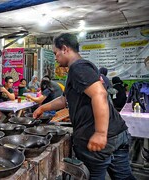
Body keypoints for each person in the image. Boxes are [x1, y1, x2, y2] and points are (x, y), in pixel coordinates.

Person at [33, 33, 135, 179]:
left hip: (102, 138)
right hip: (117, 133)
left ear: (65, 49)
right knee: (124, 177)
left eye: (56, 53)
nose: (55, 58)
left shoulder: (78, 67)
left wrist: (100, 133)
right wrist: (42, 108)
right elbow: (64, 100)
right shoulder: (82, 67)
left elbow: (99, 94)